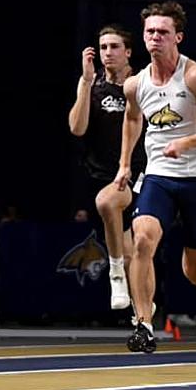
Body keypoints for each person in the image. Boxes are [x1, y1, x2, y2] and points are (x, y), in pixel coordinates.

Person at [114, 0, 196, 353]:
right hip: (159, 175)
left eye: (163, 32)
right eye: (150, 31)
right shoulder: (135, 84)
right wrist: (124, 164)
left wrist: (187, 142)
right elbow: (132, 119)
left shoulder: (195, 75)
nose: (155, 38)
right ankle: (144, 325)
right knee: (142, 240)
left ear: (177, 37)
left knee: (195, 275)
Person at [68, 24, 146, 312]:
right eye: (103, 47)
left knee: (109, 203)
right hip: (99, 175)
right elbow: (77, 128)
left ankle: (115, 276)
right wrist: (86, 84)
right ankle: (144, 316)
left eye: (114, 47)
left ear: (127, 52)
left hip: (134, 173)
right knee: (133, 254)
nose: (108, 53)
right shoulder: (91, 84)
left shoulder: (139, 84)